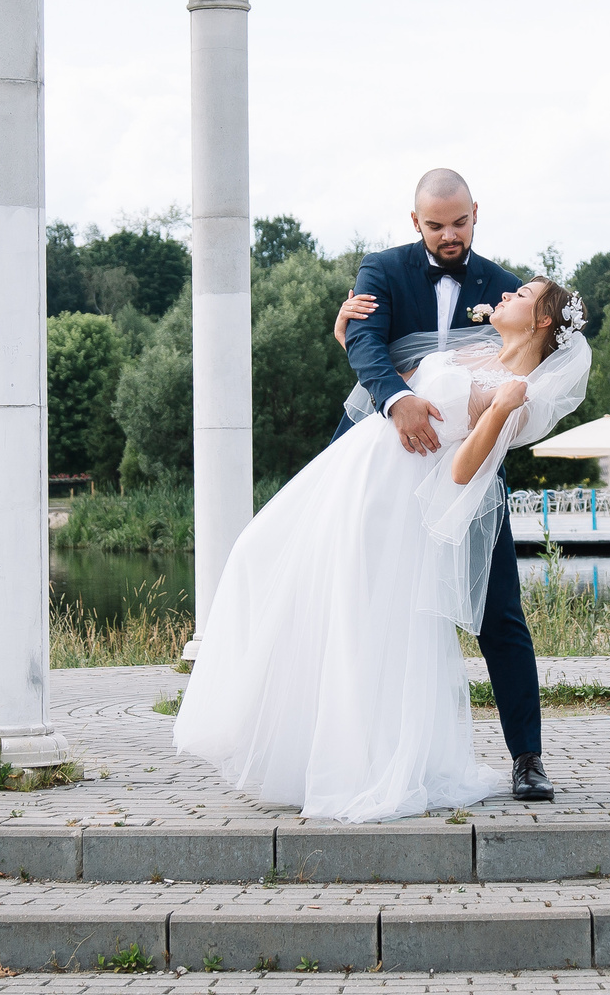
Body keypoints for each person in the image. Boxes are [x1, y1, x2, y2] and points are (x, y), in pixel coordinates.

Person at [171, 172, 587, 822]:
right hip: (379, 459)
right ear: (416, 220)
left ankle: (526, 756)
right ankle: (315, 742)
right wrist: (396, 397)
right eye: (436, 225)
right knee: (336, 598)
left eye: (460, 223)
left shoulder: (503, 287)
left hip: (462, 477)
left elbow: (510, 373)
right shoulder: (383, 269)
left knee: (500, 612)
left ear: (476, 214)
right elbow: (365, 342)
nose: (449, 236)